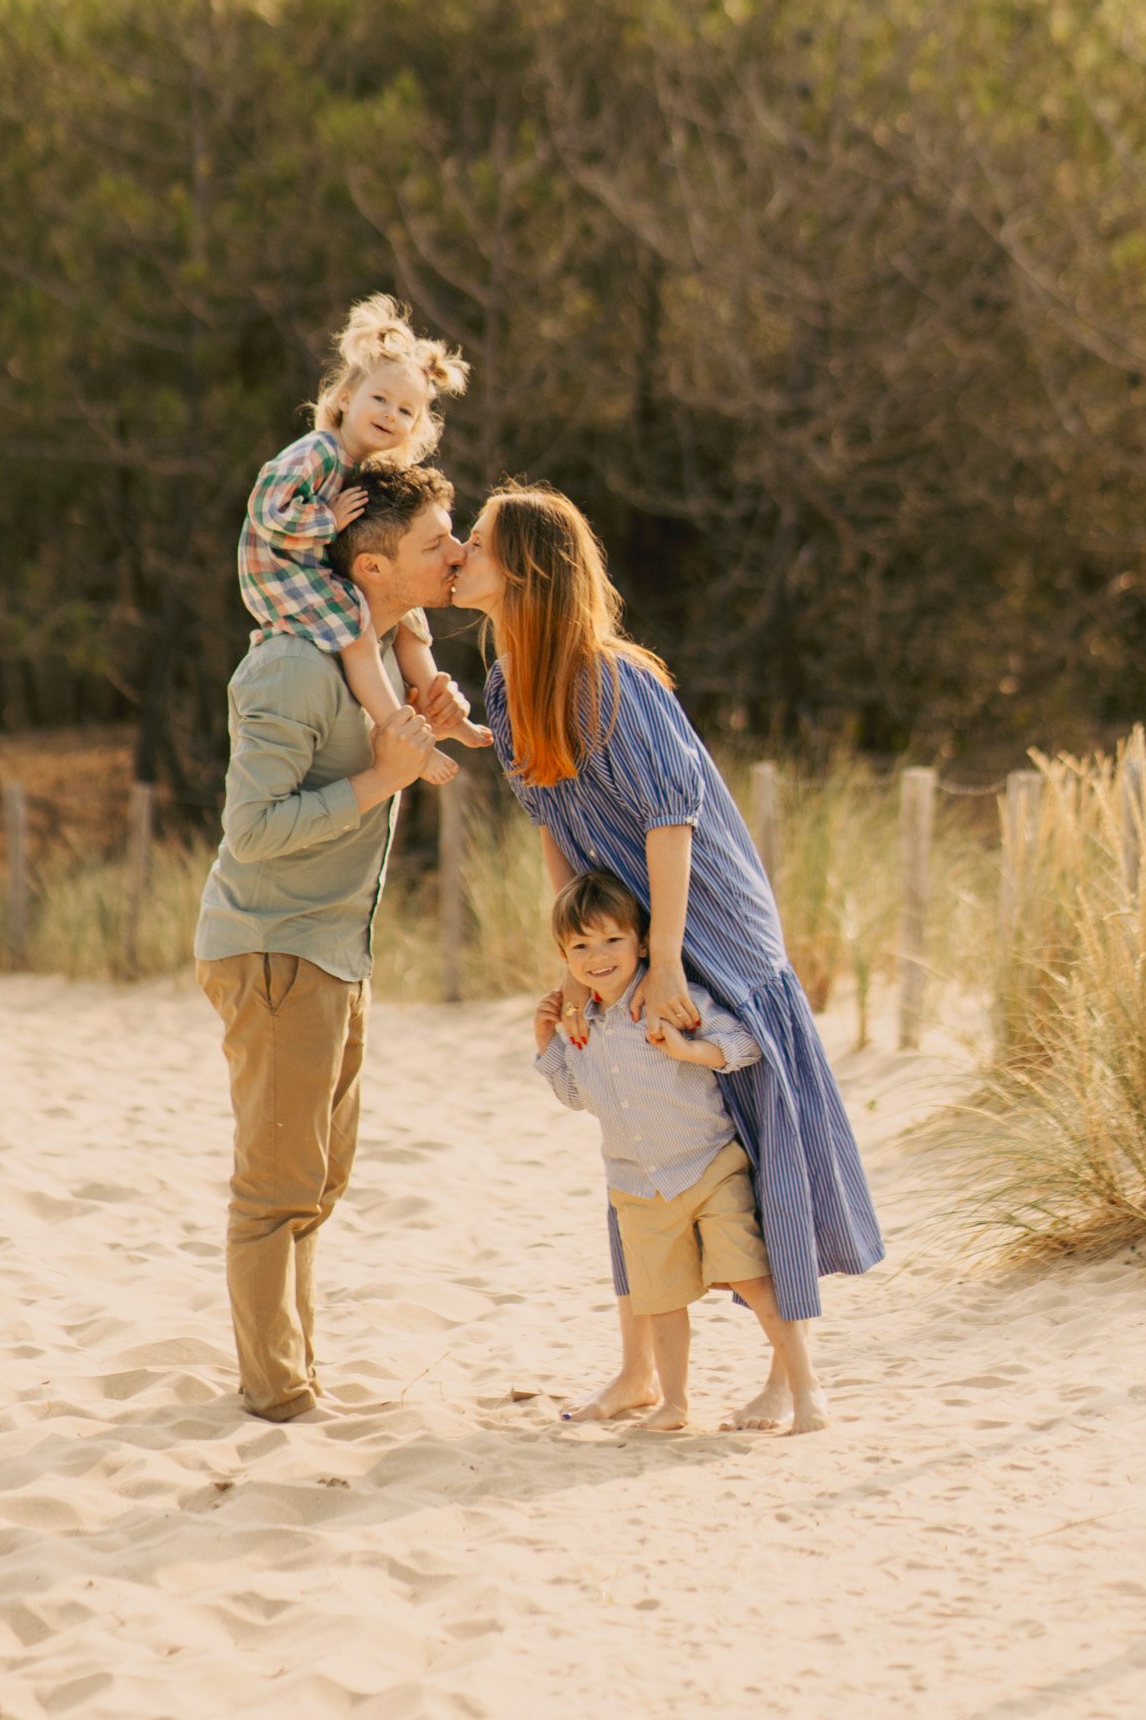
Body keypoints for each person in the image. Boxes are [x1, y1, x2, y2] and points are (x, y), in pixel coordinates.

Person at [454, 482, 883, 1427]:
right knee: (637, 1131)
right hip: (615, 929)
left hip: (708, 927)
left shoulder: (609, 679)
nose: (457, 551)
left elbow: (670, 819)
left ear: (524, 568)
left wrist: (674, 960)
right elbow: (550, 826)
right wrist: (574, 952)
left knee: (751, 1140)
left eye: (476, 541)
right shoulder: (503, 684)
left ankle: (788, 1375)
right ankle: (637, 1371)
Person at [195, 461, 475, 1422]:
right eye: (438, 544)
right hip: (272, 948)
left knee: (319, 1180)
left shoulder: (387, 652)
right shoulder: (287, 667)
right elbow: (252, 828)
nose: (458, 554)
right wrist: (380, 780)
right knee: (276, 1187)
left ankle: (292, 1369)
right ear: (369, 567)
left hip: (333, 946)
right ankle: (277, 1394)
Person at [534, 867, 828, 1434]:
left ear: (642, 941)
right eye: (581, 945)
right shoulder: (581, 1024)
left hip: (709, 1167)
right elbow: (574, 1097)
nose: (599, 956)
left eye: (613, 939)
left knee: (754, 1280)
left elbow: (744, 1045)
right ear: (564, 956)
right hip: (638, 1187)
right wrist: (544, 1042)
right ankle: (674, 1403)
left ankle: (805, 1388)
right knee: (661, 1303)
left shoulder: (675, 998)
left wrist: (690, 1050)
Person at [237, 296, 489, 781]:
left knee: (409, 618)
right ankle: (406, 740)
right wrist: (326, 521)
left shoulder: (366, 467)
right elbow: (266, 507)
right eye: (379, 399)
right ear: (346, 397)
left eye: (405, 411)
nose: (390, 414)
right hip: (280, 572)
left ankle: (443, 714)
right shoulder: (320, 451)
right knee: (356, 628)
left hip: (314, 565)